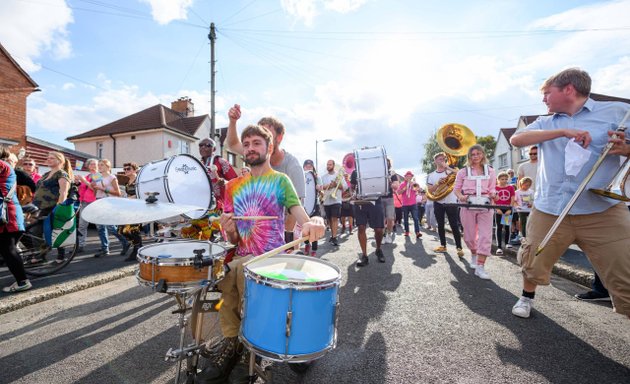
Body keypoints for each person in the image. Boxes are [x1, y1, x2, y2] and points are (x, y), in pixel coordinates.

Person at [199, 124, 325, 382]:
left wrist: (312, 222)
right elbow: (234, 239)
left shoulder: (280, 180)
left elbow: (299, 214)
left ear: (269, 148)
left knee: (243, 272)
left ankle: (252, 348)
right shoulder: (234, 186)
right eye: (246, 145)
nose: (250, 148)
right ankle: (233, 344)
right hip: (243, 257)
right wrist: (230, 229)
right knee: (228, 274)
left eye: (256, 143)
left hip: (270, 258)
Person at [510, 67, 630, 319]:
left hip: (603, 209)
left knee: (625, 273)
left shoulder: (619, 112)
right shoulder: (546, 121)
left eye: (547, 93)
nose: (544, 99)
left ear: (568, 89)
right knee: (532, 260)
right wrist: (564, 132)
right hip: (550, 208)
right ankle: (526, 297)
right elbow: (517, 140)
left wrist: (626, 149)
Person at [226, 104, 306, 244]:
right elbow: (232, 144)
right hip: (245, 255)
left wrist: (287, 238)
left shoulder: (290, 170)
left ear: (276, 139)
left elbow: (297, 210)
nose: (251, 147)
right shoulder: (236, 184)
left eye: (258, 141)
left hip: (280, 237)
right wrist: (233, 121)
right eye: (246, 144)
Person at [453, 145, 497, 279]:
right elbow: (457, 189)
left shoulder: (490, 170)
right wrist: (460, 197)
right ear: (469, 156)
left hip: (486, 206)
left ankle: (480, 267)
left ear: (483, 155)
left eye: (478, 154)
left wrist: (493, 194)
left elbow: (492, 188)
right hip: (467, 205)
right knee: (469, 237)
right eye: (473, 154)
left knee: (485, 236)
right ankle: (473, 253)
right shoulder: (462, 172)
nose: (476, 156)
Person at [29, 151, 75, 263]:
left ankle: (58, 257)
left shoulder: (62, 174)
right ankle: (41, 255)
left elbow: (63, 193)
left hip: (51, 207)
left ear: (60, 161)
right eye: (48, 158)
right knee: (35, 232)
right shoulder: (46, 174)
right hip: (38, 207)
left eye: (52, 158)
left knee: (56, 231)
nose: (48, 159)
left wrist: (58, 210)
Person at [0, 146, 31, 293]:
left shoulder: (3, 166)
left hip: (7, 216)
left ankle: (23, 282)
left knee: (8, 249)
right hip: (8, 214)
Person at [426, 152, 464, 256]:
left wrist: (447, 167)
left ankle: (459, 247)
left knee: (454, 225)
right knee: (440, 224)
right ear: (435, 161)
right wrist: (438, 183)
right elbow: (430, 190)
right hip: (438, 202)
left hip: (451, 201)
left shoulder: (450, 171)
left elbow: (460, 173)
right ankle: (443, 245)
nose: (442, 160)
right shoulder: (431, 175)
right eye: (439, 159)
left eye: (443, 159)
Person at [91, 159, 129, 258]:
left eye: (102, 165)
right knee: (100, 227)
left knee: (110, 227)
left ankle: (125, 242)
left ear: (108, 167)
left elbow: (118, 193)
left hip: (109, 203)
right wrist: (93, 187)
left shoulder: (112, 177)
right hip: (99, 201)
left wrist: (102, 188)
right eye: (99, 165)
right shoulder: (96, 176)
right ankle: (105, 249)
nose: (99, 167)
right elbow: (95, 192)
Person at [351, 168, 385, 266]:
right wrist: (353, 194)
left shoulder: (379, 169)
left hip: (376, 200)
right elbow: (352, 186)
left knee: (378, 229)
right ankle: (364, 255)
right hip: (361, 201)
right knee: (361, 227)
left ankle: (378, 249)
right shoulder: (355, 171)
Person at [198, 137, 238, 211]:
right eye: (201, 145)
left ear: (214, 149)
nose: (203, 147)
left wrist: (225, 182)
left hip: (221, 205)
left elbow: (236, 182)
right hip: (203, 205)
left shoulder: (221, 162)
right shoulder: (197, 164)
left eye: (208, 145)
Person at [118, 162, 143, 262]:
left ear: (135, 169)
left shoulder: (139, 180)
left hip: (138, 209)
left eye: (128, 169)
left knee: (132, 230)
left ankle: (136, 251)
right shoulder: (128, 181)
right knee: (121, 230)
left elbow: (141, 194)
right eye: (124, 169)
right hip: (129, 208)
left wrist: (130, 198)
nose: (125, 171)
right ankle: (138, 247)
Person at [321, 160, 347, 246]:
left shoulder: (339, 175)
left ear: (333, 165)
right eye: (327, 165)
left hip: (336, 200)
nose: (328, 166)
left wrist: (336, 185)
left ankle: (335, 237)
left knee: (334, 218)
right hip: (327, 200)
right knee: (330, 220)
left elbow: (344, 187)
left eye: (330, 165)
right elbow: (321, 187)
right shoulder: (324, 177)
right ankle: (333, 235)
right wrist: (329, 185)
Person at [75, 158, 98, 253]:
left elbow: (94, 189)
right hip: (84, 202)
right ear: (88, 166)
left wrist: (83, 180)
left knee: (101, 226)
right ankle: (81, 245)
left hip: (95, 202)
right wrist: (77, 183)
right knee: (82, 225)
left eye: (94, 164)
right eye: (91, 164)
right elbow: (82, 189)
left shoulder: (98, 175)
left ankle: (121, 241)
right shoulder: (88, 176)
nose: (93, 166)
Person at [493, 171, 516, 255]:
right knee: (499, 227)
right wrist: (497, 209)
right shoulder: (495, 188)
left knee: (506, 227)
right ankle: (499, 247)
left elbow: (512, 199)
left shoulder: (510, 188)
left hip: (507, 210)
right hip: (499, 210)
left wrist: (510, 209)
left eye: (506, 179)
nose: (504, 180)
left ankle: (507, 243)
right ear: (498, 179)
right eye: (502, 179)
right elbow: (493, 199)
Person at [302, 159, 321, 256]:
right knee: (304, 227)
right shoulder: (301, 177)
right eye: (306, 166)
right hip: (304, 206)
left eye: (310, 166)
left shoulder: (317, 177)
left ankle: (314, 249)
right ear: (303, 167)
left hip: (315, 205)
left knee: (314, 227)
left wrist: (319, 187)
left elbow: (321, 189)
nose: (308, 167)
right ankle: (306, 244)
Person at [398, 171, 421, 239]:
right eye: (407, 176)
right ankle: (407, 231)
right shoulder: (402, 184)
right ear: (405, 177)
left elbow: (417, 189)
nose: (408, 177)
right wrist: (405, 188)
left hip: (413, 204)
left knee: (415, 218)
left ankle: (417, 232)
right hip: (405, 204)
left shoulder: (414, 183)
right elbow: (399, 192)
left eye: (410, 176)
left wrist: (412, 185)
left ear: (411, 177)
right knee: (405, 219)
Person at [382, 158, 399, 243]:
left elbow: (396, 186)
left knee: (390, 218)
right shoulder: (377, 172)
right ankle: (382, 236)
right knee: (381, 219)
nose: (386, 164)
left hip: (389, 198)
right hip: (379, 198)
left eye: (387, 162)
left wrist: (390, 182)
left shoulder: (392, 173)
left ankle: (388, 234)